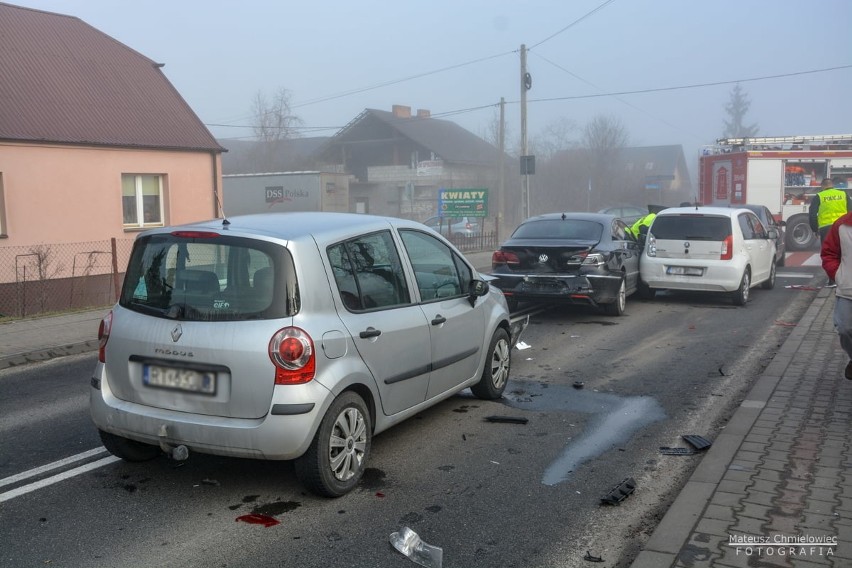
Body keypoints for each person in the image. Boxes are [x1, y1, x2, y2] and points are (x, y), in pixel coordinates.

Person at [821, 211, 852, 380]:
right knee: (844, 328)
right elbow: (829, 253)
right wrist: (838, 275)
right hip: (848, 289)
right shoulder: (842, 225)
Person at [809, 177, 850, 244]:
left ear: (822, 186)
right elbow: (850, 211)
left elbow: (812, 215)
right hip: (842, 227)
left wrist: (815, 229)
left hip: (826, 228)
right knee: (842, 249)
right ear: (832, 185)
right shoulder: (843, 194)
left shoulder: (819, 196)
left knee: (828, 251)